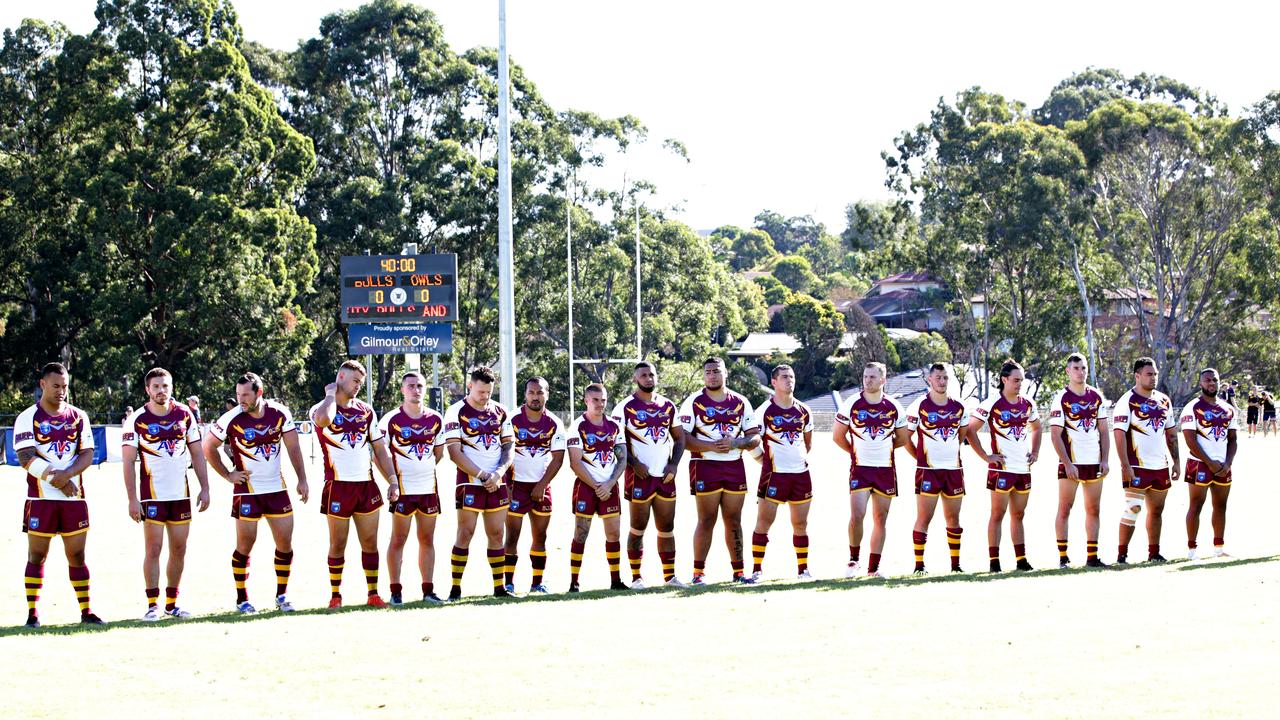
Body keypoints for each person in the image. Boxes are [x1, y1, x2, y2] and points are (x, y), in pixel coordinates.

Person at [204, 372, 310, 613]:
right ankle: (242, 599)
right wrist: (228, 474)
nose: (240, 399)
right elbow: (208, 446)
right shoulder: (231, 418)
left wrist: (302, 479)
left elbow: (293, 447)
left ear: (259, 393)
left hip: (276, 489)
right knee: (245, 545)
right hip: (247, 492)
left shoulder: (280, 413)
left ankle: (282, 596)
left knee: (285, 544)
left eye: (245, 395)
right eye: (238, 394)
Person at [14, 363, 103, 627]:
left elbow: (87, 453)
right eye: (56, 386)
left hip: (74, 499)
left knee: (77, 556)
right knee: (37, 556)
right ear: (42, 384)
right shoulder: (27, 417)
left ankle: (86, 612)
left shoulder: (79, 416)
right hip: (40, 500)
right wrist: (57, 479)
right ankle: (33, 614)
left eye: (65, 386)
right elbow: (25, 457)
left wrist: (67, 477)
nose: (61, 391)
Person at [121, 368, 211, 620]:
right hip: (151, 495)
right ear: (147, 390)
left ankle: (172, 603)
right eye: (156, 387)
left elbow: (197, 453)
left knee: (179, 549)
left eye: (166, 386)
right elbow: (128, 462)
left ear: (171, 387)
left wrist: (205, 487)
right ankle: (153, 605)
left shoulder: (185, 414)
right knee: (154, 549)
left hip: (180, 495)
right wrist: (131, 499)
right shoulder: (136, 419)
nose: (162, 391)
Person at [311, 360, 398, 609]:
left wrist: (392, 479)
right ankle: (336, 595)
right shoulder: (322, 407)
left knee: (370, 542)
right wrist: (330, 395)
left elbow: (380, 449)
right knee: (338, 544)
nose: (359, 386)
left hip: (366, 485)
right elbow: (323, 421)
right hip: (338, 485)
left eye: (361, 382)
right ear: (340, 377)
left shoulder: (366, 410)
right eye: (355, 381)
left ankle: (373, 593)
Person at [679, 357, 761, 584]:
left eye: (716, 371)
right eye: (708, 372)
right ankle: (698, 574)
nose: (712, 375)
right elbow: (683, 438)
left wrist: (735, 443)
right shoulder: (693, 402)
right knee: (706, 520)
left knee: (734, 520)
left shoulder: (741, 401)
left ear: (726, 373)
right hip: (704, 465)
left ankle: (739, 572)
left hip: (734, 465)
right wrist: (711, 446)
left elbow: (754, 436)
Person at [443, 366, 516, 600]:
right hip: (470, 482)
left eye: (489, 392)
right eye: (481, 391)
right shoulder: (455, 412)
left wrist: (499, 473)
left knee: (496, 533)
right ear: (470, 386)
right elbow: (454, 452)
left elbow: (509, 447)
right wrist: (484, 475)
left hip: (497, 482)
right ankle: (455, 589)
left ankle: (499, 588)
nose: (485, 397)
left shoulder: (501, 411)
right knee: (465, 532)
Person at [613, 361, 686, 589]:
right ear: (636, 379)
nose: (648, 378)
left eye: (651, 374)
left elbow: (680, 438)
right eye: (643, 375)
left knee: (667, 527)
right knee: (638, 527)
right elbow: (616, 443)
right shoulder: (623, 408)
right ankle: (636, 578)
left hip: (665, 477)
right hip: (639, 477)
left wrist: (674, 465)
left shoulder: (668, 406)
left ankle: (670, 577)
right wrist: (633, 464)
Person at [834, 361, 909, 578]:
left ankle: (873, 568)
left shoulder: (894, 406)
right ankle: (853, 560)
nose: (868, 381)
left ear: (883, 380)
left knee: (880, 518)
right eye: (865, 376)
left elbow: (902, 439)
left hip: (885, 469)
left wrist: (882, 448)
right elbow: (838, 436)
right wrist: (854, 453)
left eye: (873, 377)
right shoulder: (851, 404)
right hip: (860, 469)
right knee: (857, 515)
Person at [379, 370, 447, 605]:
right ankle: (396, 591)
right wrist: (392, 480)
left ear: (425, 389)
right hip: (402, 491)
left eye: (419, 386)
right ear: (402, 389)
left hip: (429, 489)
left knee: (427, 539)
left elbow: (439, 453)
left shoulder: (436, 419)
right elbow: (379, 454)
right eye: (410, 386)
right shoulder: (390, 420)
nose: (415, 390)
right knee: (398, 539)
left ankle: (428, 590)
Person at [968, 359, 1042, 572]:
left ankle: (1021, 560)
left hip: (1023, 469)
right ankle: (994, 562)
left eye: (1022, 380)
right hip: (1001, 469)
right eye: (1016, 380)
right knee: (997, 515)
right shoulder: (991, 403)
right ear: (1004, 379)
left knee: (1019, 515)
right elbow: (970, 430)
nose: (1020, 384)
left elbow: (1037, 428)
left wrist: (1035, 451)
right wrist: (986, 456)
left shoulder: (1028, 403)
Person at [747, 365, 815, 582]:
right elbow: (752, 442)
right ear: (774, 382)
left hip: (800, 474)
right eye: (784, 377)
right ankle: (757, 571)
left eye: (792, 376)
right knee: (764, 522)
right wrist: (762, 460)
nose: (790, 380)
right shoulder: (763, 411)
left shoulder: (804, 410)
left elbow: (808, 442)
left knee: (801, 524)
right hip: (774, 475)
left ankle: (803, 570)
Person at [904, 363, 973, 574]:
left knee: (953, 519)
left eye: (945, 378)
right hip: (928, 471)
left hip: (953, 470)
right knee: (924, 518)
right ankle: (919, 565)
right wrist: (920, 458)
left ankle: (955, 565)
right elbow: (906, 438)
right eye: (938, 378)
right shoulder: (918, 406)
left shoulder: (960, 407)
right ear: (929, 380)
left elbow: (961, 436)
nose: (942, 382)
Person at [1111, 357, 1179, 563]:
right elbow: (1119, 435)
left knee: (1157, 510)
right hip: (1136, 466)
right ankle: (1122, 555)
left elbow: (1172, 434)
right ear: (1137, 376)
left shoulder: (1164, 400)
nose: (1154, 378)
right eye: (1149, 374)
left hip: (1160, 466)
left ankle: (1154, 553)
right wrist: (1124, 465)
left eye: (1155, 374)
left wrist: (1176, 461)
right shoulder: (1126, 401)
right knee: (1133, 508)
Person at [1048, 353, 1110, 569]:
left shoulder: (1096, 396)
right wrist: (1066, 463)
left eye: (1083, 368)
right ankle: (1063, 558)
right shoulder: (1061, 398)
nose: (1080, 372)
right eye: (1076, 368)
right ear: (1068, 371)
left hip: (1093, 462)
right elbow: (1055, 435)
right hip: (1072, 463)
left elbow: (1103, 430)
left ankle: (1092, 557)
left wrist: (1105, 460)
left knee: (1094, 509)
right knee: (1065, 508)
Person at [503, 377, 566, 594]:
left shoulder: (555, 423)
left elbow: (558, 458)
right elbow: (502, 454)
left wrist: (542, 484)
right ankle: (508, 582)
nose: (535, 397)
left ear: (547, 394)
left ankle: (537, 583)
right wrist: (507, 484)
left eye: (540, 393)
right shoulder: (511, 419)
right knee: (512, 536)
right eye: (531, 392)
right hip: (515, 486)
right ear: (525, 394)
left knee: (541, 537)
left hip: (541, 486)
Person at [566, 384, 629, 592]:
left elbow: (623, 458)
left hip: (610, 487)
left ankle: (616, 580)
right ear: (586, 400)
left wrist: (610, 483)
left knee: (614, 534)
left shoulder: (614, 425)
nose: (600, 404)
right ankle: (574, 582)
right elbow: (575, 463)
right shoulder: (577, 426)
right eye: (595, 400)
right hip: (586, 487)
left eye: (603, 400)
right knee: (580, 534)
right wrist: (596, 486)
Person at [1180, 369, 1238, 559]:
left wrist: (1227, 463)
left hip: (1223, 466)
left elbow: (1233, 439)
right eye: (1207, 380)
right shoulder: (1192, 407)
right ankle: (1192, 551)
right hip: (1199, 464)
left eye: (1215, 379)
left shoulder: (1228, 409)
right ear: (1200, 383)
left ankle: (1219, 548)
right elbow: (1190, 440)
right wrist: (1210, 462)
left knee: (1221, 506)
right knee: (1196, 505)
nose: (1211, 383)